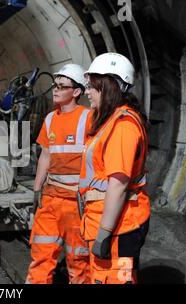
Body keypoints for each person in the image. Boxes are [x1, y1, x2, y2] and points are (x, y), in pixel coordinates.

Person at [78, 52, 150, 284]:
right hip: (105, 220)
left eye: (91, 87)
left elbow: (117, 185)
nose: (86, 92)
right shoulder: (107, 121)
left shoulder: (123, 127)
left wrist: (105, 233)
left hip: (120, 225)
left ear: (109, 86)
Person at [26, 64, 91, 284]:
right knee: (40, 255)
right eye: (55, 85)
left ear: (76, 92)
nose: (55, 90)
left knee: (78, 260)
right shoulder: (50, 119)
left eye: (62, 86)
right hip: (50, 198)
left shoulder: (88, 118)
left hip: (76, 201)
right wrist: (37, 189)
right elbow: (46, 155)